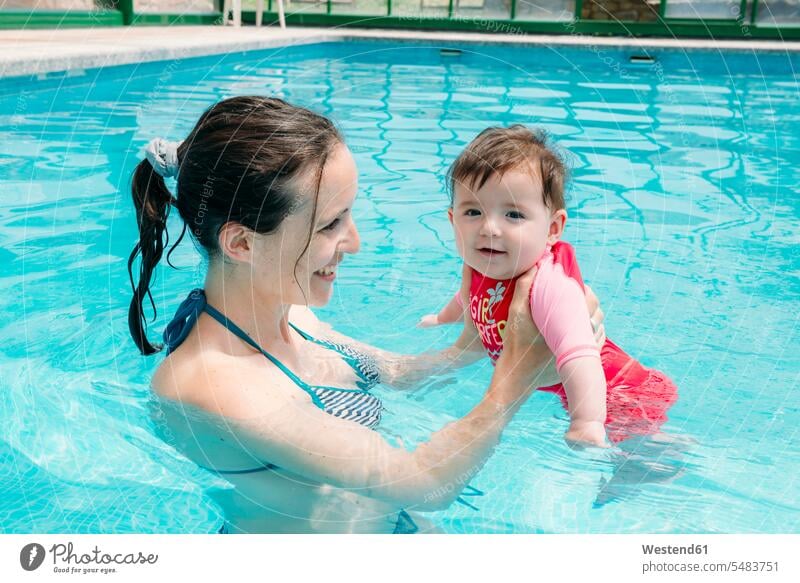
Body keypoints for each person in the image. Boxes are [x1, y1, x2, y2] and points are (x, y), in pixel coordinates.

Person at [128, 97, 606, 534]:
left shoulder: (294, 317)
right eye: (331, 224)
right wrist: (518, 373)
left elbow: (400, 373)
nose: (354, 243)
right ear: (243, 243)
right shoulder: (213, 385)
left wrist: (510, 327)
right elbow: (423, 482)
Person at [419, 125, 678, 448]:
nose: (489, 228)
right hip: (565, 387)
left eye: (513, 214)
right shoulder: (483, 267)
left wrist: (586, 420)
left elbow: (579, 354)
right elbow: (467, 300)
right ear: (451, 219)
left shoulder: (549, 286)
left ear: (553, 228)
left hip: (616, 389)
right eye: (473, 211)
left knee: (642, 450)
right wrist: (443, 318)